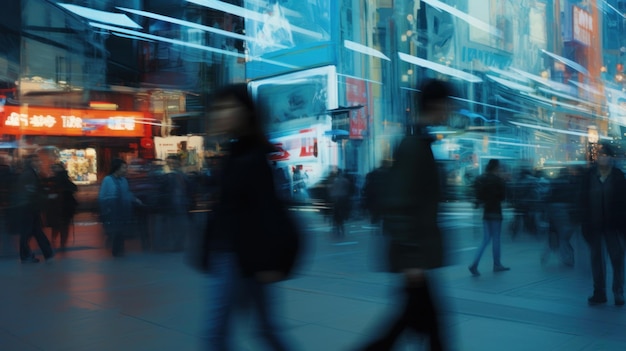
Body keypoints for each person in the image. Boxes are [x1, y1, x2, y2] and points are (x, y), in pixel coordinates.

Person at [202, 83, 300, 351]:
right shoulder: (237, 153)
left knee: (216, 335)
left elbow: (266, 211)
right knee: (265, 331)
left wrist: (269, 262)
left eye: (227, 107)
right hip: (239, 257)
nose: (219, 114)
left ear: (246, 112)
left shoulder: (252, 157)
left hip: (240, 258)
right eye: (217, 108)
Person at [358, 79, 452, 351]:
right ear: (437, 105)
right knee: (424, 328)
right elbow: (400, 202)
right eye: (448, 105)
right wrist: (412, 257)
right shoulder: (413, 146)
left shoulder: (420, 142)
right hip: (414, 257)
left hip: (416, 255)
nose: (450, 111)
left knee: (408, 326)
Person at [580, 142, 626, 306]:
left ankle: (618, 292)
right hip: (595, 226)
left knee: (617, 259)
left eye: (605, 155)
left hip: (614, 227)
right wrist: (584, 222)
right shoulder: (589, 176)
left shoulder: (618, 176)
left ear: (610, 158)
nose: (602, 158)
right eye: (600, 155)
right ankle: (599, 293)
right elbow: (583, 201)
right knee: (597, 261)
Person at [468, 159, 509, 276]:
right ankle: (497, 264)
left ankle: (474, 264)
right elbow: (502, 197)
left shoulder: (482, 179)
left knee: (485, 240)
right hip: (496, 212)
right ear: (496, 167)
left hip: (486, 212)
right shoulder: (498, 180)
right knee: (496, 239)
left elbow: (478, 195)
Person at [14, 153, 55, 263]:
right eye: (36, 161)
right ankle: (30, 255)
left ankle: (46, 253)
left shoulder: (30, 173)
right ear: (31, 163)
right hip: (29, 208)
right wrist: (43, 197)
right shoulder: (29, 174)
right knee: (29, 232)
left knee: (34, 232)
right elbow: (31, 192)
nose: (39, 162)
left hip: (29, 207)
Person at [98, 158, 142, 257]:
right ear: (117, 168)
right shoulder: (107, 180)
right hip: (112, 209)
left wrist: (135, 200)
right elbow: (102, 196)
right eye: (123, 168)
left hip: (123, 209)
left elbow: (127, 193)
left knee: (121, 230)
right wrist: (104, 209)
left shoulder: (124, 180)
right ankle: (116, 250)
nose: (125, 170)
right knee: (116, 230)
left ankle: (119, 250)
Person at [43, 162, 78, 250]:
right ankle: (61, 243)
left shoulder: (56, 179)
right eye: (53, 167)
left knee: (58, 225)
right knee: (63, 225)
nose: (53, 169)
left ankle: (56, 241)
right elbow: (74, 188)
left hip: (61, 205)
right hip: (64, 206)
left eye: (56, 167)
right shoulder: (61, 178)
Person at [329, 168, 352, 237]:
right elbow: (348, 188)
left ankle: (335, 225)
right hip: (343, 198)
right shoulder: (345, 180)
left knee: (335, 213)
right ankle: (342, 225)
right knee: (342, 212)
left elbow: (331, 189)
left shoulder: (334, 180)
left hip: (335, 198)